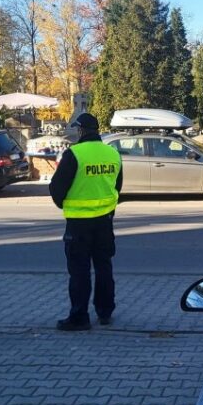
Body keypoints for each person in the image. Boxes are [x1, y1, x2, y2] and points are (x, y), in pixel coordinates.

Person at [49, 112, 122, 331]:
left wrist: (65, 204)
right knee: (104, 267)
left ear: (81, 131)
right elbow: (117, 185)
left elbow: (57, 188)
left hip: (79, 223)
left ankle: (79, 317)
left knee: (79, 271)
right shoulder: (113, 153)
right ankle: (105, 311)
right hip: (105, 220)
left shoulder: (74, 154)